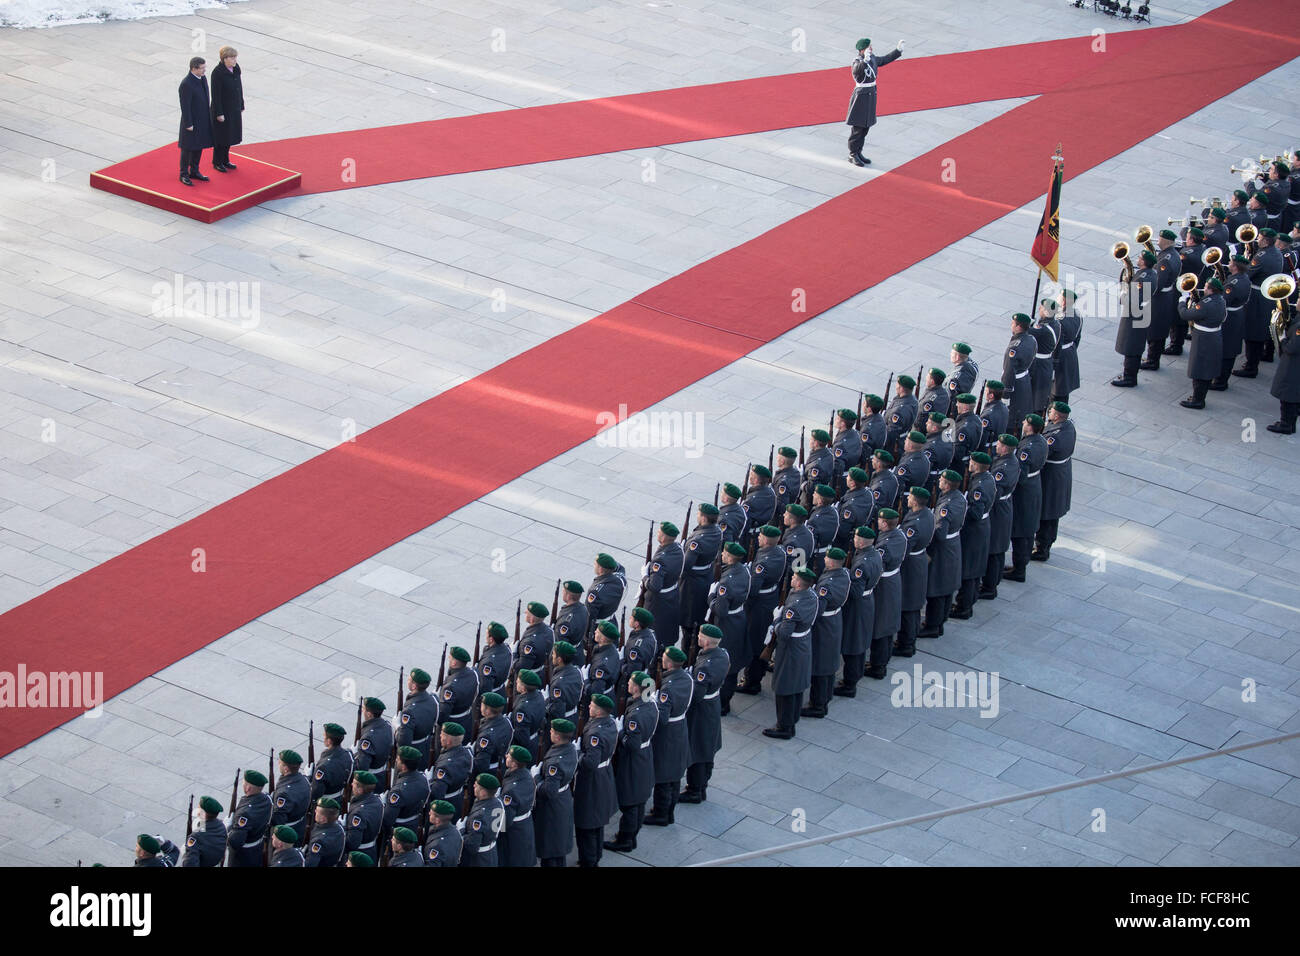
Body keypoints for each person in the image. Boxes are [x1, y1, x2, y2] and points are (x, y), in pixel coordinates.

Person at [605, 671, 659, 853]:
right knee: (639, 800)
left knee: (630, 802)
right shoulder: (649, 705)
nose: (628, 683)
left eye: (630, 681)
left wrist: (621, 732)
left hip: (634, 761)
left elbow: (632, 744)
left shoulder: (636, 714)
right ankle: (631, 837)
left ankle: (625, 839)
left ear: (637, 687)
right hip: (645, 756)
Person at [762, 567, 818, 739]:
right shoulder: (811, 596)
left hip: (791, 648)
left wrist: (777, 620)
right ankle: (791, 721)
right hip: (803, 643)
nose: (792, 579)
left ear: (800, 583)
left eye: (794, 577)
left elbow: (784, 633)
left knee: (785, 686)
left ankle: (784, 726)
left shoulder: (794, 606)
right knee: (796, 686)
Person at [645, 646, 693, 825]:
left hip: (668, 734)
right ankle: (668, 812)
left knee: (664, 776)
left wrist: (652, 700)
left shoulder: (667, 689)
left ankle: (661, 814)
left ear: (669, 663)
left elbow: (662, 718)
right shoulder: (686, 678)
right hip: (680, 727)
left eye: (664, 658)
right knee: (674, 775)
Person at [682, 625, 729, 801]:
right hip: (712, 705)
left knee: (698, 748)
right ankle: (701, 786)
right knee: (706, 746)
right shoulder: (721, 654)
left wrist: (688, 682)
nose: (698, 638)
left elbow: (697, 695)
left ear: (707, 641)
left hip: (702, 710)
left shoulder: (705, 667)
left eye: (701, 636)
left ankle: (695, 789)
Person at [919, 470, 965, 639]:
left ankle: (933, 625)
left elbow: (939, 533)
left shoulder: (946, 505)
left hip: (942, 550)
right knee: (947, 587)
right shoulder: (958, 498)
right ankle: (940, 622)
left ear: (946, 485)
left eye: (942, 480)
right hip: (953, 545)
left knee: (937, 589)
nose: (939, 481)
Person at [835, 526, 881, 697]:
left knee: (853, 644)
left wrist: (845, 576)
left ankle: (850, 684)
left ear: (861, 542)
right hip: (867, 601)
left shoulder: (861, 563)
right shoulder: (873, 554)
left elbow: (854, 592)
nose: (854, 540)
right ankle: (852, 678)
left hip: (858, 606)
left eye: (855, 538)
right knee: (859, 641)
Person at [573, 694, 618, 866]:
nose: (589, 707)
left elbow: (590, 762)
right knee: (597, 822)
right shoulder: (608, 723)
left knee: (587, 823)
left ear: (598, 712)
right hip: (604, 773)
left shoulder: (596, 733)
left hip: (592, 780)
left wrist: (577, 753)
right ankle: (595, 855)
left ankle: (589, 861)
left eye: (592, 705)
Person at [844, 37, 904, 167]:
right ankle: (852, 154)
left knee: (865, 127)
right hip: (861, 96)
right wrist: (864, 62)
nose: (871, 49)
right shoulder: (857, 61)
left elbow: (884, 60)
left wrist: (898, 51)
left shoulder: (872, 59)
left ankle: (859, 152)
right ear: (862, 50)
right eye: (868, 47)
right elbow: (857, 72)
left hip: (870, 95)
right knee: (858, 128)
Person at [951, 452, 996, 619]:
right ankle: (967, 603)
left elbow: (975, 513)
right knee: (974, 569)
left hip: (975, 531)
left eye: (971, 461)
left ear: (976, 465)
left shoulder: (979, 486)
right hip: (981, 529)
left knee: (970, 571)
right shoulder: (985, 478)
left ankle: (964, 607)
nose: (969, 462)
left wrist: (962, 508)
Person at [1004, 416, 1048, 584]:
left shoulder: (1027, 448)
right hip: (1034, 485)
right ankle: (1019, 565)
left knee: (1022, 529)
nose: (1022, 423)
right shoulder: (1040, 441)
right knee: (1026, 527)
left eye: (1025, 423)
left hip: (1025, 491)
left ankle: (1019, 569)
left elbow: (1020, 475)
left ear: (1030, 427)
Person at [978, 435, 1020, 601]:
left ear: (1004, 448)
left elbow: (995, 492)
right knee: (996, 549)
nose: (997, 445)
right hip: (1003, 508)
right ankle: (990, 584)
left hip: (998, 511)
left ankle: (989, 587)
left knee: (995, 550)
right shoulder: (1008, 460)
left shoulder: (1003, 468)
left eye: (999, 444)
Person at [533, 718, 579, 866]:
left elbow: (549, 791)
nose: (550, 733)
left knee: (551, 850)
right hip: (563, 798)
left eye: (552, 731)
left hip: (553, 807)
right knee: (557, 850)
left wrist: (537, 778)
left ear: (558, 737)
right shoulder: (569, 748)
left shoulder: (556, 763)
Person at [1034, 403, 1076, 561]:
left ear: (1057, 416)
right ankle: (1045, 543)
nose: (1048, 412)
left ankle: (1042, 547)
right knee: (1053, 512)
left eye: (1051, 411)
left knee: (1048, 511)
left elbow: (1042, 452)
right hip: (1060, 473)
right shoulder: (1068, 426)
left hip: (1052, 477)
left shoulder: (1055, 436)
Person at [868, 509, 906, 679]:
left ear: (884, 523)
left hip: (884, 584)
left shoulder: (884, 544)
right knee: (887, 623)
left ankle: (878, 665)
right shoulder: (898, 536)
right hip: (893, 580)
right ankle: (882, 660)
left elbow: (877, 565)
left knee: (881, 625)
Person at [1179, 278, 1227, 409]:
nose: (1204, 289)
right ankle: (1199, 397)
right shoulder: (1221, 300)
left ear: (1211, 289)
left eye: (1206, 287)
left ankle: (1198, 399)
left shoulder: (1206, 304)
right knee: (1206, 368)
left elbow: (1185, 314)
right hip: (1214, 336)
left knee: (1199, 369)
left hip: (1204, 338)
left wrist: (1182, 302)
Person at [1114, 250, 1156, 387]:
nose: (1137, 259)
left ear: (1143, 262)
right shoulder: (1150, 274)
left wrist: (1123, 292)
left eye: (1139, 257)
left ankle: (1129, 378)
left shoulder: (1143, 278)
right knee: (1134, 347)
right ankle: (1130, 375)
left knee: (1131, 346)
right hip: (1142, 314)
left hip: (1135, 316)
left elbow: (1133, 301)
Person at [496, 746, 537, 868]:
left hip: (514, 832)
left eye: (509, 756)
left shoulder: (511, 790)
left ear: (514, 763)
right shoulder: (525, 775)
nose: (506, 756)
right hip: (525, 825)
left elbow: (505, 820)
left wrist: (494, 831)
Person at [177, 56, 212, 186]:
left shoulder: (202, 78)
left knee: (199, 146)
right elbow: (185, 106)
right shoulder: (186, 84)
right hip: (191, 122)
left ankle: (195, 171)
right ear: (194, 68)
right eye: (202, 68)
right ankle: (184, 174)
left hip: (202, 119)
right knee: (187, 148)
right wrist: (188, 123)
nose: (204, 71)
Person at [1268, 293, 1300, 434]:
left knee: (1288, 394)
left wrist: (1282, 339)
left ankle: (1286, 424)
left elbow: (1293, 347)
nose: (1297, 302)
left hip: (1294, 363)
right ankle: (1289, 423)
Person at [225, 769, 271, 867]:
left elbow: (235, 841)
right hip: (257, 847)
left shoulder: (245, 814)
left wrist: (228, 828)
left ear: (248, 788)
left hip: (243, 856)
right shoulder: (266, 799)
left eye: (243, 783)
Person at [209, 46, 244, 173]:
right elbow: (216, 95)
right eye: (232, 57)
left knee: (230, 135)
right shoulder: (217, 73)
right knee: (221, 137)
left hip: (233, 108)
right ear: (225, 59)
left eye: (235, 57)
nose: (235, 60)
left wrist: (241, 103)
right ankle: (217, 161)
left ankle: (225, 159)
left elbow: (239, 87)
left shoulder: (235, 69)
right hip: (223, 110)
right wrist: (219, 113)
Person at [459, 774, 503, 867]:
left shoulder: (479, 817)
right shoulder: (498, 803)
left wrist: (461, 831)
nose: (474, 786)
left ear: (483, 792)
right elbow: (499, 829)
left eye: (476, 785)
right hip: (491, 853)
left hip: (478, 860)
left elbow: (472, 846)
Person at [269, 749, 311, 844]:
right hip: (300, 825)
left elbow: (278, 820)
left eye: (280, 763)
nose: (278, 765)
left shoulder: (284, 794)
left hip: (287, 834)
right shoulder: (304, 780)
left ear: (286, 769)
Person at [1002, 313, 1035, 428]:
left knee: (1012, 417)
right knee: (1021, 411)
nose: (1011, 326)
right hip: (1025, 379)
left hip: (1016, 384)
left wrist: (1005, 394)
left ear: (1019, 327)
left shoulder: (1014, 348)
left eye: (1013, 324)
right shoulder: (1031, 339)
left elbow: (1009, 372)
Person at [1053, 290, 1082, 405]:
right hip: (1071, 352)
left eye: (1060, 297)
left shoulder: (1059, 320)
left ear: (1064, 302)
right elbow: (1077, 338)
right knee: (1064, 389)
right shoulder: (1077, 315)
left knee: (1056, 391)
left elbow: (1055, 343)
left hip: (1060, 356)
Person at [180, 796, 226, 867]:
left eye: (199, 808)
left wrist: (185, 853)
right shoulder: (221, 826)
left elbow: (190, 864)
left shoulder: (195, 837)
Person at [423, 800, 463, 866]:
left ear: (437, 820)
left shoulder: (437, 846)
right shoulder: (454, 831)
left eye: (431, 813)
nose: (429, 813)